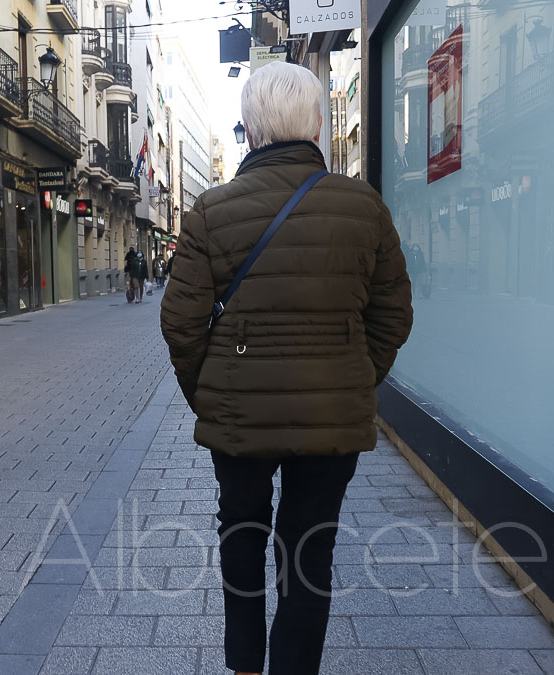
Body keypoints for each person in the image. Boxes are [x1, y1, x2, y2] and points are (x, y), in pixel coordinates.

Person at [160, 61, 413, 675]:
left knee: (240, 534)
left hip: (240, 413)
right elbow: (394, 315)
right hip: (332, 418)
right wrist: (350, 377)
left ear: (248, 129)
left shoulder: (209, 212)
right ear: (320, 127)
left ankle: (245, 664)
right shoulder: (365, 208)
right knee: (310, 548)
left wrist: (213, 394)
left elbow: (182, 323)